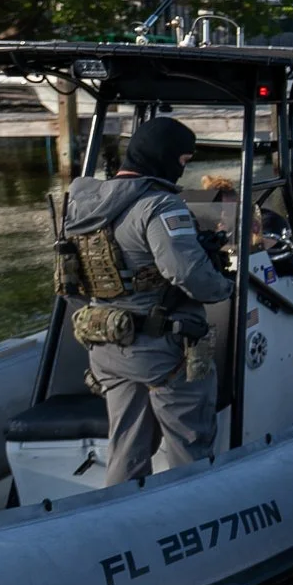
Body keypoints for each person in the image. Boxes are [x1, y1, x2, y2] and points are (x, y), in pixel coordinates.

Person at [60, 116, 237, 485]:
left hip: (105, 345)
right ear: (166, 157)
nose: (182, 169)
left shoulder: (82, 204)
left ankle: (121, 522)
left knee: (127, 449)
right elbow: (187, 273)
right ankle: (193, 524)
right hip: (162, 352)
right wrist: (225, 288)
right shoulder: (160, 205)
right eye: (184, 160)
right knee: (191, 445)